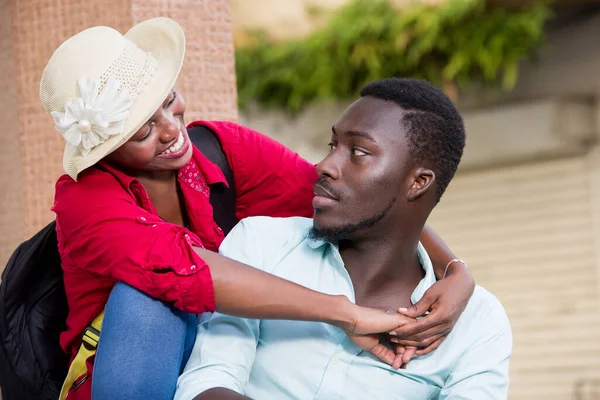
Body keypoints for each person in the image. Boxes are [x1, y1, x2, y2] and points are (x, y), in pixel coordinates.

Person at [41, 18, 474, 400]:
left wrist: (454, 269)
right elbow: (186, 271)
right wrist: (347, 313)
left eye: (168, 100)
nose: (173, 129)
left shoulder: (223, 147)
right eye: (144, 130)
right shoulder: (84, 201)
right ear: (107, 145)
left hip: (229, 357)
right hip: (139, 370)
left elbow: (345, 196)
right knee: (145, 299)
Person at [174, 78, 512, 400]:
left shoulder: (478, 323)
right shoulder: (260, 244)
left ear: (418, 183)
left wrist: (455, 268)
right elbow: (207, 381)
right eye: (333, 145)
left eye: (359, 152)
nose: (324, 165)